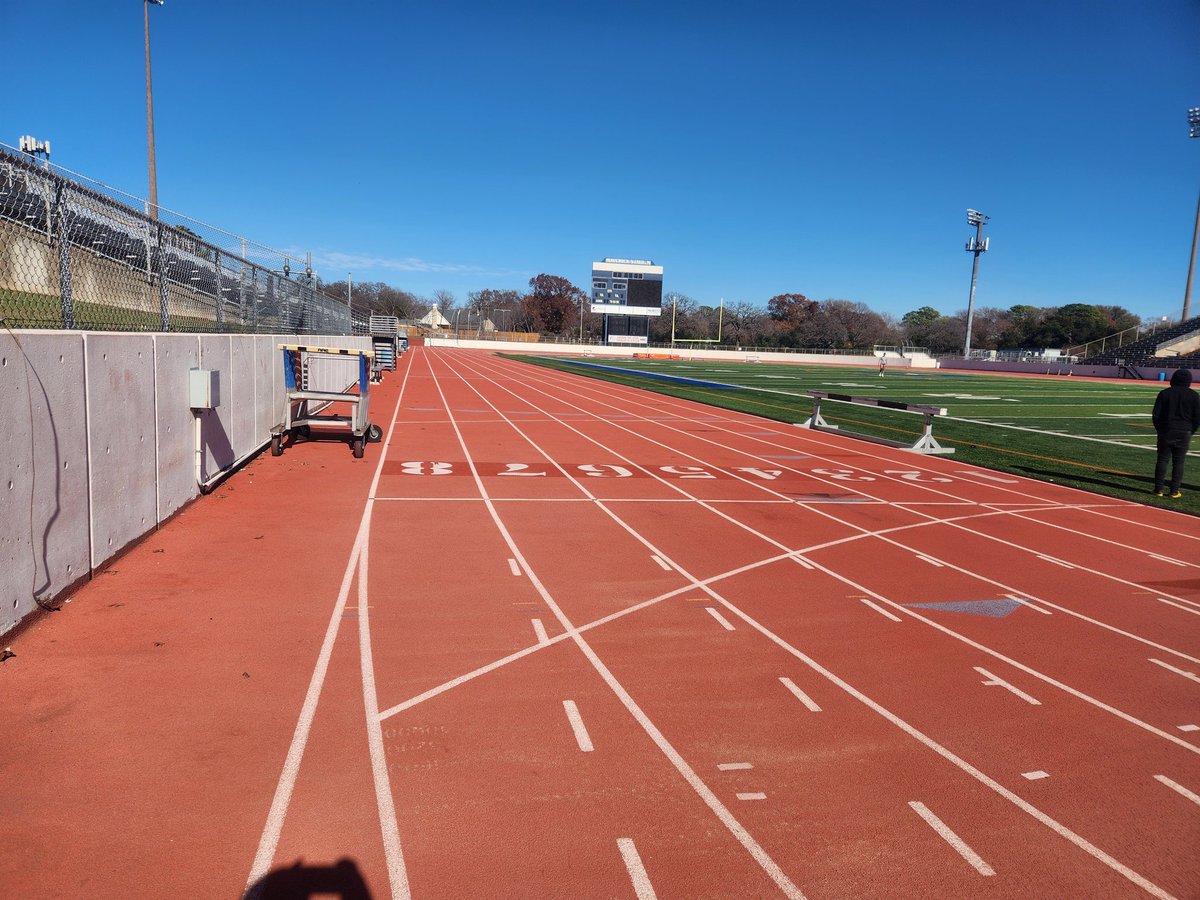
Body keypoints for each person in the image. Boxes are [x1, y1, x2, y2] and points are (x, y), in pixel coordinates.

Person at [1152, 368, 1200, 498]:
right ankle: (1174, 490)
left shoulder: (1164, 393)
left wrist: (1160, 429)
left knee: (1162, 459)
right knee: (1179, 462)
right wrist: (1191, 431)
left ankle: (1158, 489)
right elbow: (1197, 418)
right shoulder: (1194, 395)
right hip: (1184, 431)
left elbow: (1156, 415)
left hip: (1167, 430)